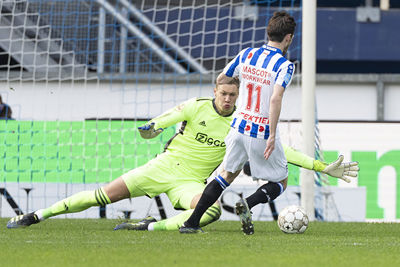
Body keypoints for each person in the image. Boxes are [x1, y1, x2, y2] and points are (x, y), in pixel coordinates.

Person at [7, 79, 358, 231]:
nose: (228, 99)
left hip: (189, 183)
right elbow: (159, 122)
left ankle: (148, 227)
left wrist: (322, 167)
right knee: (101, 195)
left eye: (233, 95)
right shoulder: (195, 106)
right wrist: (151, 128)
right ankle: (36, 216)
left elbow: (284, 152)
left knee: (212, 212)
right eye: (223, 93)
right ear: (215, 91)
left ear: (238, 96)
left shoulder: (241, 123)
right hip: (161, 167)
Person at [179, 11, 314, 234]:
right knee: (281, 182)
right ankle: (247, 205)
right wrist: (271, 135)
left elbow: (223, 79)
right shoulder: (284, 66)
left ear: (268, 32)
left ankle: (191, 223)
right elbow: (275, 98)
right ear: (288, 38)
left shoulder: (247, 55)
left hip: (238, 126)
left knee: (226, 176)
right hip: (260, 131)